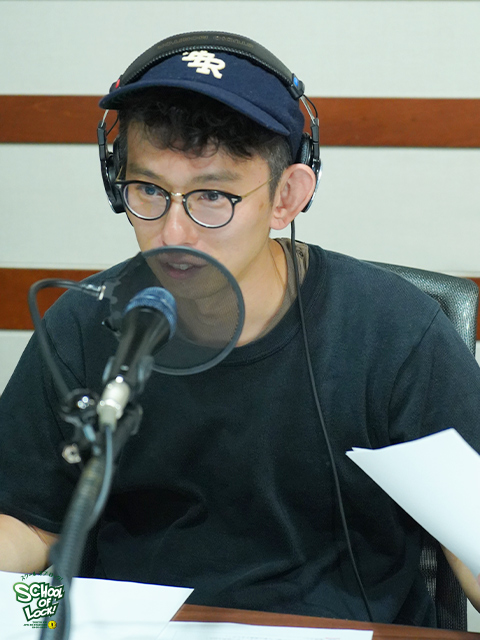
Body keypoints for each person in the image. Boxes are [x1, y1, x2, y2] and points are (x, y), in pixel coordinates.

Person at [1, 30, 480, 627]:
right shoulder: (84, 321)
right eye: (148, 189)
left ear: (287, 197)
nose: (173, 232)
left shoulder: (394, 332)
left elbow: (473, 542)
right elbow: (29, 523)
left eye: (213, 196)